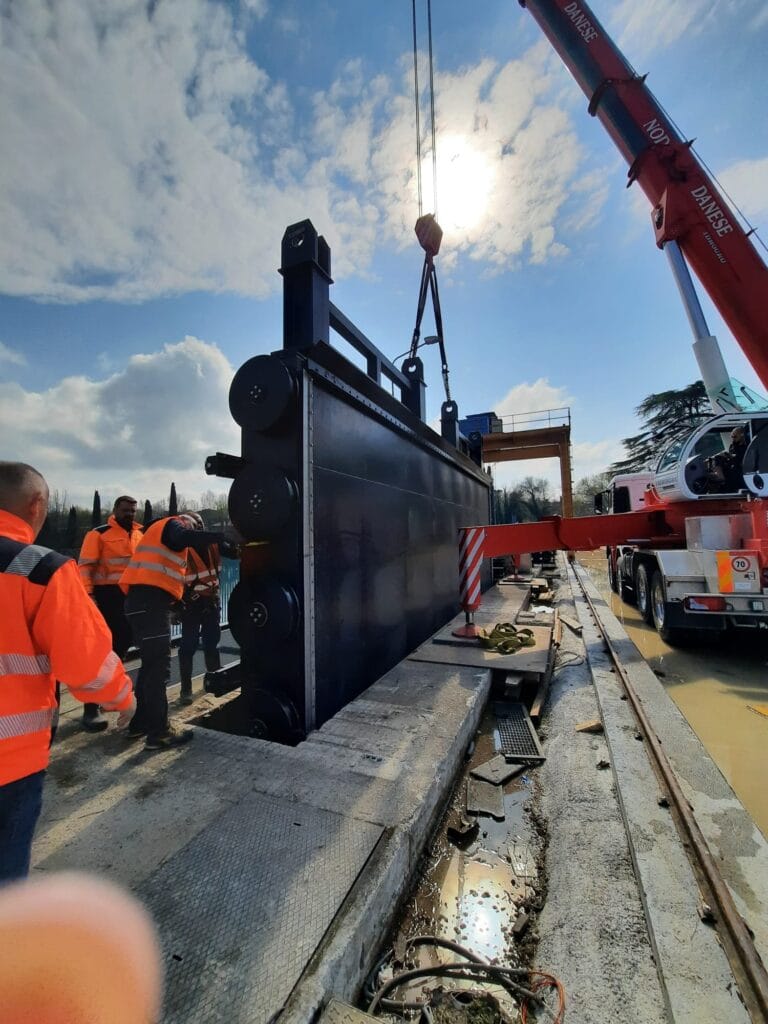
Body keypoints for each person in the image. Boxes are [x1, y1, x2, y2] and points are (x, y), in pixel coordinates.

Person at [0, 462, 135, 882]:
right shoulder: (37, 567)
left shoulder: (137, 535)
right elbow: (85, 662)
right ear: (37, 504)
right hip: (9, 760)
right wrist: (124, 699)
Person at [120, 512, 237, 751]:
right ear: (189, 521)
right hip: (149, 604)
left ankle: (140, 724)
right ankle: (159, 733)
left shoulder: (158, 536)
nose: (196, 530)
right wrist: (223, 534)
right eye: (197, 525)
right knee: (158, 670)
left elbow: (162, 572)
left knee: (150, 666)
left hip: (144, 603)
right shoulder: (174, 525)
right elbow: (181, 534)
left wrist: (175, 604)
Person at [77, 494, 143, 732]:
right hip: (106, 598)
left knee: (121, 649)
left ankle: (112, 697)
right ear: (115, 510)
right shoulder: (99, 534)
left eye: (133, 511)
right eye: (126, 510)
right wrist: (89, 597)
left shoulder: (138, 534)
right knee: (101, 651)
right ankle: (90, 708)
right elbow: (85, 566)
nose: (130, 514)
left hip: (131, 598)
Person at [178, 521, 226, 705]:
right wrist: (175, 606)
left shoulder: (212, 544)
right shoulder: (181, 547)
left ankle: (215, 679)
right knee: (188, 645)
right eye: (193, 524)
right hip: (191, 604)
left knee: (212, 640)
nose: (198, 527)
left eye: (199, 523)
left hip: (211, 601)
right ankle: (186, 689)